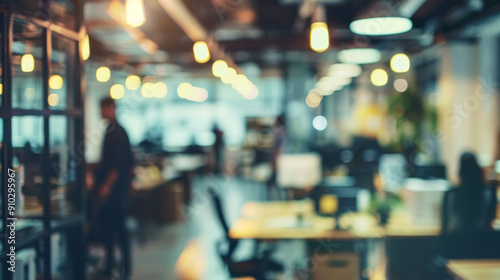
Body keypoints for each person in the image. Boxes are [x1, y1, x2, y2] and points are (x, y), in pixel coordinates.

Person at [92, 97, 134, 278]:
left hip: (115, 192)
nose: (100, 112)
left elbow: (116, 165)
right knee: (110, 230)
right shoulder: (113, 130)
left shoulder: (116, 132)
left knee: (117, 230)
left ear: (111, 108)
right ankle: (112, 266)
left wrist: (106, 187)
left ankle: (123, 268)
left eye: (102, 109)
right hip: (117, 190)